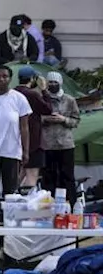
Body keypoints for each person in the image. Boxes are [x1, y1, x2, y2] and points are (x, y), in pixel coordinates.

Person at [0, 65, 32, 197]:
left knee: (10, 190)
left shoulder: (19, 98)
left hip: (11, 151)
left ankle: (8, 216)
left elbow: (24, 127)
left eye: (5, 76)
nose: (1, 79)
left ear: (10, 79)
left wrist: (26, 151)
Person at [41, 71, 81, 201]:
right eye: (50, 82)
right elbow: (35, 119)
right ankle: (48, 205)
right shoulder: (43, 99)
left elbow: (76, 120)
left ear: (60, 83)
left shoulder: (69, 100)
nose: (52, 84)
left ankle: (71, 204)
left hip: (65, 144)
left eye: (55, 82)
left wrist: (63, 119)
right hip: (47, 144)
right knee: (48, 177)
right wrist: (46, 119)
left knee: (67, 176)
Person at [14, 67, 52, 188]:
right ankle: (27, 201)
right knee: (32, 174)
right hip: (34, 140)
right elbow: (48, 109)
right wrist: (44, 91)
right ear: (32, 79)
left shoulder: (12, 94)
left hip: (16, 140)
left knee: (20, 173)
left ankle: (11, 196)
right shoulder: (32, 94)